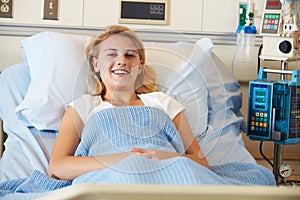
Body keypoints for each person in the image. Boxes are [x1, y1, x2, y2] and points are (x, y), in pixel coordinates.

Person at [49, 25, 209, 181]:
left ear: (139, 66)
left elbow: (201, 163)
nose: (122, 61)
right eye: (111, 54)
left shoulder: (162, 102)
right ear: (95, 64)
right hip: (110, 180)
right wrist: (126, 160)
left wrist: (166, 158)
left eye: (130, 55)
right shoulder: (83, 107)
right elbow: (58, 167)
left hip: (169, 175)